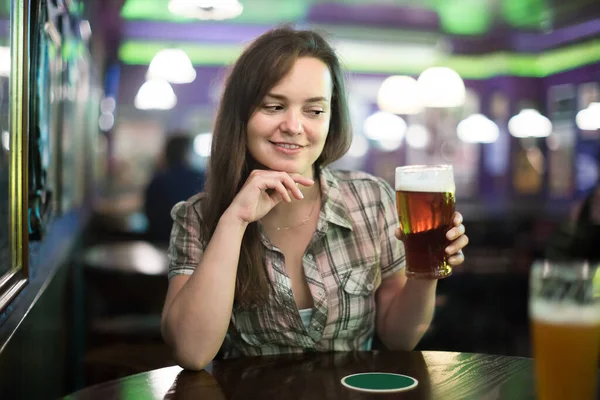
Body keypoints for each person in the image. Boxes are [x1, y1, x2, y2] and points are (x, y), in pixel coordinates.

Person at [160, 27, 469, 370]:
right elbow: (191, 352)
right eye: (274, 106)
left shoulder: (372, 200)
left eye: (314, 110)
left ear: (331, 119)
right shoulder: (198, 216)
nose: (294, 126)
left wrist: (425, 274)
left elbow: (399, 338)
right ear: (242, 115)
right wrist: (234, 221)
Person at [144, 133, 205, 244]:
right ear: (188, 153)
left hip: (159, 242)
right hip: (192, 244)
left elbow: (149, 214)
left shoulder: (158, 180)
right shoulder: (200, 179)